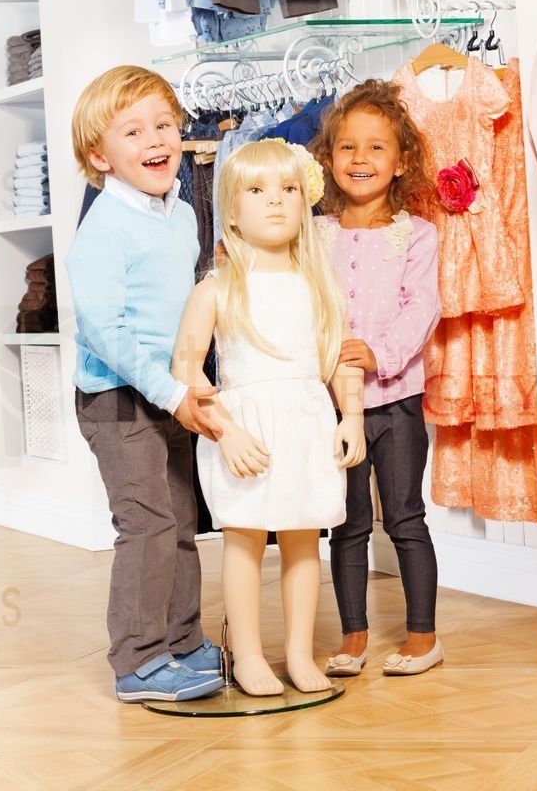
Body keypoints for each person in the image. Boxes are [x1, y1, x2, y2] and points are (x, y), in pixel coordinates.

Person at [171, 138, 367, 696]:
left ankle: (301, 654)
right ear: (230, 208)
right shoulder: (216, 289)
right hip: (247, 431)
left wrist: (349, 415)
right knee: (245, 538)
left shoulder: (318, 284)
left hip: (307, 424)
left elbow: (339, 355)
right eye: (258, 191)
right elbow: (186, 369)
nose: (276, 202)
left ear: (304, 202)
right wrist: (225, 431)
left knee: (306, 536)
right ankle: (250, 656)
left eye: (287, 190)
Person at [66, 65, 225, 703]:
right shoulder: (103, 229)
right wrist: (171, 392)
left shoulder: (181, 215)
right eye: (133, 130)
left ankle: (181, 638)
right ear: (99, 155)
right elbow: (105, 330)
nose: (155, 138)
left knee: (182, 519)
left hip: (170, 391)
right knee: (147, 523)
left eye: (163, 124)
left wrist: (191, 382)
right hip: (118, 400)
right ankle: (137, 659)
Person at [309, 80, 445, 677]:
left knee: (405, 518)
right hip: (333, 408)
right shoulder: (313, 235)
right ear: (328, 158)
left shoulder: (416, 233)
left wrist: (380, 352)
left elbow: (423, 308)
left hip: (397, 404)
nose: (360, 160)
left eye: (375, 148)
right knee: (348, 525)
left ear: (401, 161)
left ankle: (423, 636)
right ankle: (353, 636)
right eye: (346, 147)